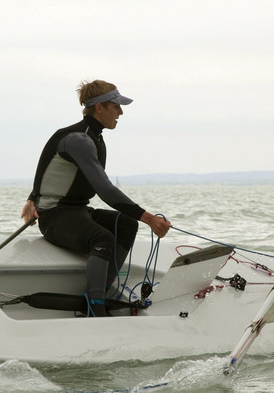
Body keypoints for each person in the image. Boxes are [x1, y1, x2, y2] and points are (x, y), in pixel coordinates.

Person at [21, 79, 171, 317]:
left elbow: (52, 166)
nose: (121, 112)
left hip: (77, 211)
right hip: (54, 217)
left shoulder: (94, 138)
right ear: (99, 107)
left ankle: (101, 290)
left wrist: (32, 196)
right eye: (116, 106)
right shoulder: (78, 139)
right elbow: (105, 190)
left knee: (126, 224)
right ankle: (95, 307)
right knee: (103, 239)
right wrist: (149, 218)